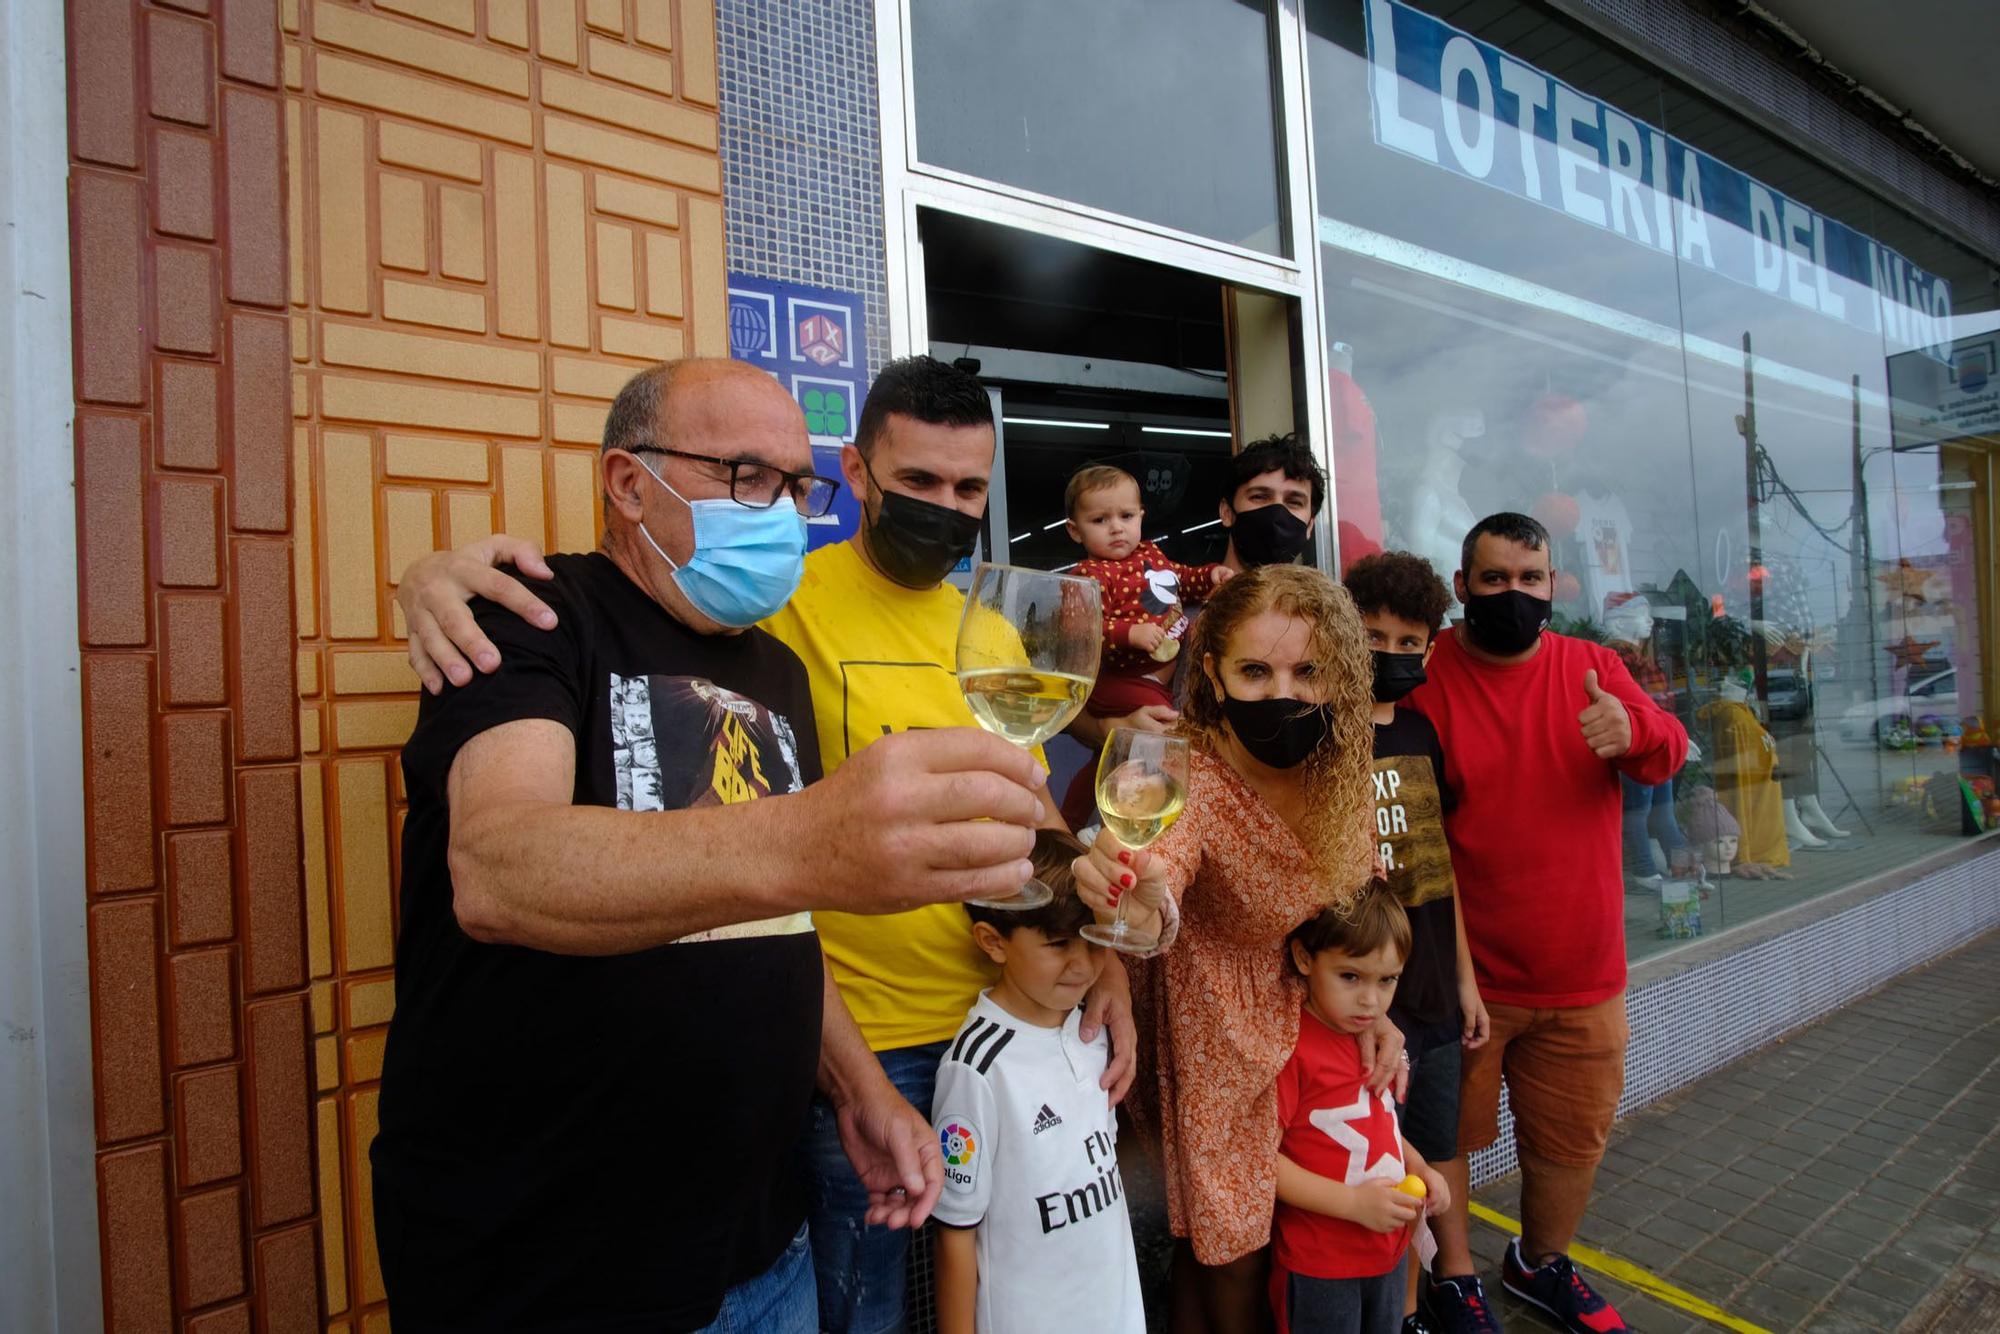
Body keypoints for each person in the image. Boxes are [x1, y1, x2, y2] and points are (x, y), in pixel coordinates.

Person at [393, 355, 1139, 1334]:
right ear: (628, 482)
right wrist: (813, 835)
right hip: (545, 1257)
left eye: (794, 487)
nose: (780, 510)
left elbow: (774, 920)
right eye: (748, 477)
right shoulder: (530, 618)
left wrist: (859, 1086)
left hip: (758, 1235)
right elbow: (495, 867)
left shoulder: (773, 670)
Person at [1072, 564, 1408, 1334]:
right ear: (1212, 675)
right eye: (1255, 670)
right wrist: (1140, 894)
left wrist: (1376, 1008)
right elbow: (1160, 876)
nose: (1282, 692)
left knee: (1241, 1246)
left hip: (1310, 1017)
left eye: (1307, 670)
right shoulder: (1185, 771)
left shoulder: (1337, 769)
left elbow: (1363, 904)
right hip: (1211, 1028)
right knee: (1235, 1252)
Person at [1404, 514, 1688, 1334]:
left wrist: (1633, 730)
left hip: (1582, 977)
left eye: (1530, 580)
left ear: (1554, 587)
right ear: (1462, 587)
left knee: (1570, 1144)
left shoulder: (1593, 669)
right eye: (1494, 580)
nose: (1513, 596)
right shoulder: (1427, 676)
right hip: (1465, 984)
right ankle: (1454, 1276)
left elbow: (1670, 749)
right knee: (1443, 1134)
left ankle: (1539, 1264)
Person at [931, 831, 1166, 1334]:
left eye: (1093, 941)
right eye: (1058, 944)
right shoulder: (976, 1068)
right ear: (994, 942)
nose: (1083, 966)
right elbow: (956, 1235)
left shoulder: (1089, 1030)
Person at [1341, 551, 1489, 1334]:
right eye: (1373, 635)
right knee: (1384, 1151)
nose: (1391, 654)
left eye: (1409, 641)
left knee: (1441, 1140)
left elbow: (1441, 870)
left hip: (1432, 985)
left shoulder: (1425, 732)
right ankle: (1401, 1310)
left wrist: (1465, 980)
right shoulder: (1324, 736)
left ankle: (1457, 1276)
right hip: (1371, 995)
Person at [1272, 889, 1450, 1334]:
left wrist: (1420, 1166)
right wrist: (1352, 1203)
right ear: (1304, 958)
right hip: (1321, 1264)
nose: (1371, 1001)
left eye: (1387, 980)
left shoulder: (1373, 1040)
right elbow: (1261, 1160)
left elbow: (1380, 1121)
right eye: (1351, 976)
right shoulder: (1288, 1049)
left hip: (1386, 1254)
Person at [1067, 463, 1233, 718]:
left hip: (1162, 677)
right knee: (1164, 727)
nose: (1116, 527)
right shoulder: (1089, 575)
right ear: (1075, 531)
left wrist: (1209, 575)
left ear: (1141, 516)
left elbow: (1180, 578)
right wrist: (1130, 633)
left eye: (1126, 516)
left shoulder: (1149, 553)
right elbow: (1082, 631)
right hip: (1123, 682)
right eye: (1100, 520)